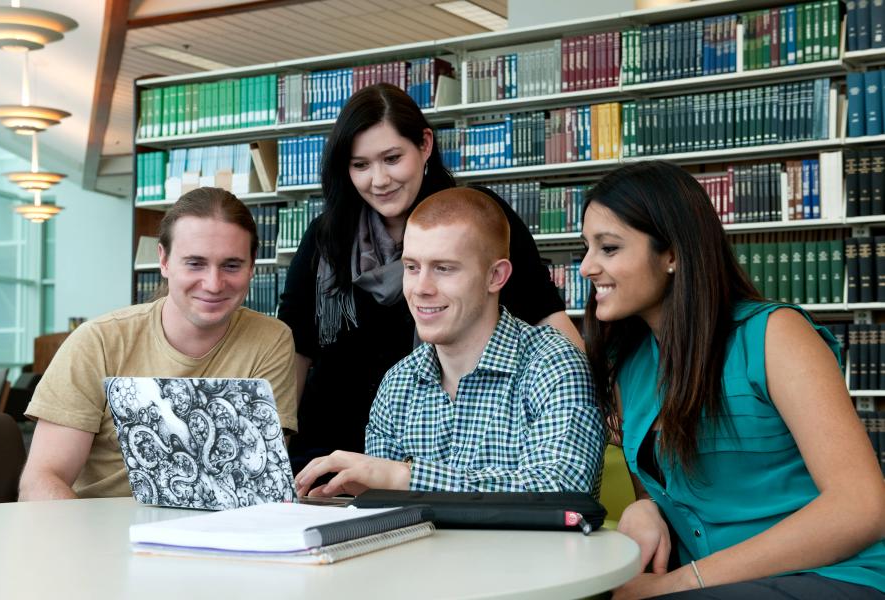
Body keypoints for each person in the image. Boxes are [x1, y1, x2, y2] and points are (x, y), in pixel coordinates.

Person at [578, 161, 885, 599]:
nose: (587, 267)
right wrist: (645, 508)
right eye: (585, 247)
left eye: (608, 248)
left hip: (834, 576)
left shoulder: (775, 335)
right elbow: (662, 490)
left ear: (672, 254)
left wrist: (681, 582)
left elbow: (861, 508)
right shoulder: (629, 366)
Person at [278, 83, 582, 470]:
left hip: (435, 456)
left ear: (424, 145)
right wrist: (272, 451)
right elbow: (295, 351)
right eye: (360, 165)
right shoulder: (326, 238)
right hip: (328, 452)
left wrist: (582, 397)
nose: (379, 180)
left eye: (392, 158)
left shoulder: (476, 219)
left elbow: (544, 311)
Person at [294, 187, 606, 497]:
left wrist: (405, 477)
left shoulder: (556, 367)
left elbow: (565, 493)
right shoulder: (397, 385)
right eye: (412, 267)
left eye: (443, 268)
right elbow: (391, 514)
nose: (421, 288)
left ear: (496, 276)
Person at [19, 188, 298, 500]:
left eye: (231, 265)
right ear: (164, 261)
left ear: (252, 266)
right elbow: (42, 480)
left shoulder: (271, 340)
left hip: (218, 535)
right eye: (195, 263)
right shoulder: (98, 340)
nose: (213, 283)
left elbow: (255, 480)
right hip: (96, 531)